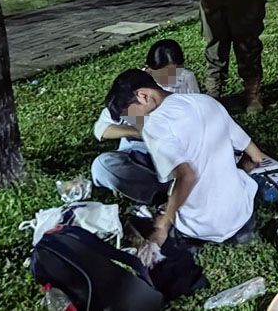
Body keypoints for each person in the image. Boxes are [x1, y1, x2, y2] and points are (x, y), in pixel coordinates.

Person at [104, 69, 265, 245]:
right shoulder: (207, 102)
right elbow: (255, 156)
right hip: (242, 214)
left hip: (201, 227)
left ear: (143, 95)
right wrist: (231, 179)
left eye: (130, 115)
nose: (134, 122)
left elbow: (187, 176)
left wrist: (163, 225)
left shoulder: (154, 125)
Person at [91, 40, 200, 202]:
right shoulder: (132, 85)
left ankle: (150, 188)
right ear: (149, 69)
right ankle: (160, 192)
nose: (171, 78)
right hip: (139, 152)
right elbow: (102, 129)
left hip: (176, 151)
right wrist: (139, 132)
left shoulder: (186, 79)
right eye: (164, 73)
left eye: (175, 72)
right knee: (102, 166)